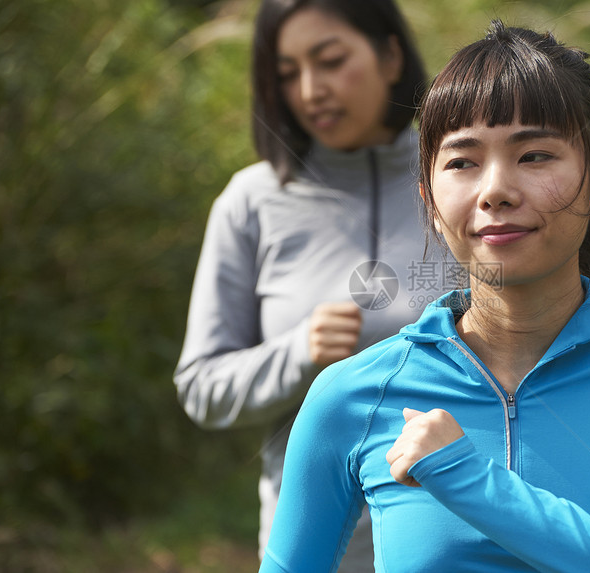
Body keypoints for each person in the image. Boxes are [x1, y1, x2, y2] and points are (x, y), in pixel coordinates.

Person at [258, 21, 590, 573]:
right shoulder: (352, 394)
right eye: (462, 162)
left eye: (535, 155)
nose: (495, 190)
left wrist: (468, 479)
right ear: (428, 199)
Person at [173, 0, 441, 568]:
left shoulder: (462, 182)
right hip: (315, 546)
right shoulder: (252, 201)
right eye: (288, 73)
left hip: (459, 537)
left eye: (331, 60)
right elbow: (201, 385)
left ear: (391, 55)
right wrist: (297, 352)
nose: (311, 89)